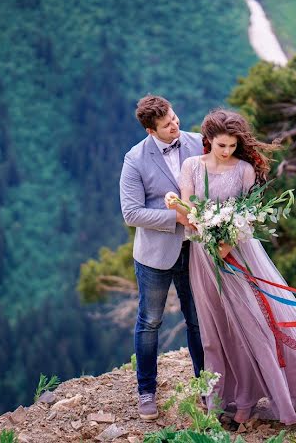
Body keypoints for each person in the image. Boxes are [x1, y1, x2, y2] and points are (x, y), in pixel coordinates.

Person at [168, 109, 296, 426]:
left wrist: (228, 240)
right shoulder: (191, 166)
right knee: (214, 332)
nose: (227, 152)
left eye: (232, 146)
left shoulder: (245, 170)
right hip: (203, 257)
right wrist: (193, 221)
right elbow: (188, 211)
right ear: (208, 140)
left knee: (252, 325)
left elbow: (249, 215)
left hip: (240, 256)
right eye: (221, 145)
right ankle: (218, 401)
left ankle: (252, 401)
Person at [119, 95, 205, 420]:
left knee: (198, 320)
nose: (175, 125)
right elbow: (131, 213)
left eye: (174, 117)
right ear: (150, 129)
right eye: (167, 124)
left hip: (196, 249)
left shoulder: (198, 143)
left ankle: (205, 387)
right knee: (150, 322)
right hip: (154, 256)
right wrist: (175, 219)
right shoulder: (134, 159)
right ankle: (146, 392)